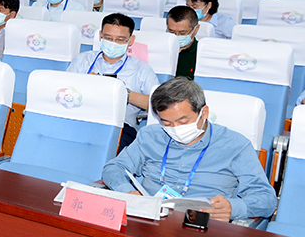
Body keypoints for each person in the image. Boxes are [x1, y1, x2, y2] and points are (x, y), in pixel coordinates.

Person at [102, 77, 276, 222]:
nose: (175, 128)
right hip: (147, 219)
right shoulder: (150, 136)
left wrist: (233, 208)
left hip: (201, 226)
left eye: (183, 121)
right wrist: (127, 192)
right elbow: (114, 168)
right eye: (167, 123)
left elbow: (266, 199)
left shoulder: (235, 145)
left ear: (204, 113)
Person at [68, 13, 157, 149]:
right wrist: (87, 84)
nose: (113, 43)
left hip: (120, 126)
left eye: (120, 39)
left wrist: (122, 92)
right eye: (108, 38)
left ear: (131, 40)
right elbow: (65, 89)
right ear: (100, 35)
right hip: (81, 119)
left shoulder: (142, 69)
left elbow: (157, 104)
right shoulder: (81, 60)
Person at [166, 5, 199, 80]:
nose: (177, 36)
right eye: (172, 32)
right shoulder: (159, 48)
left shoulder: (201, 53)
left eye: (182, 33)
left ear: (196, 29)